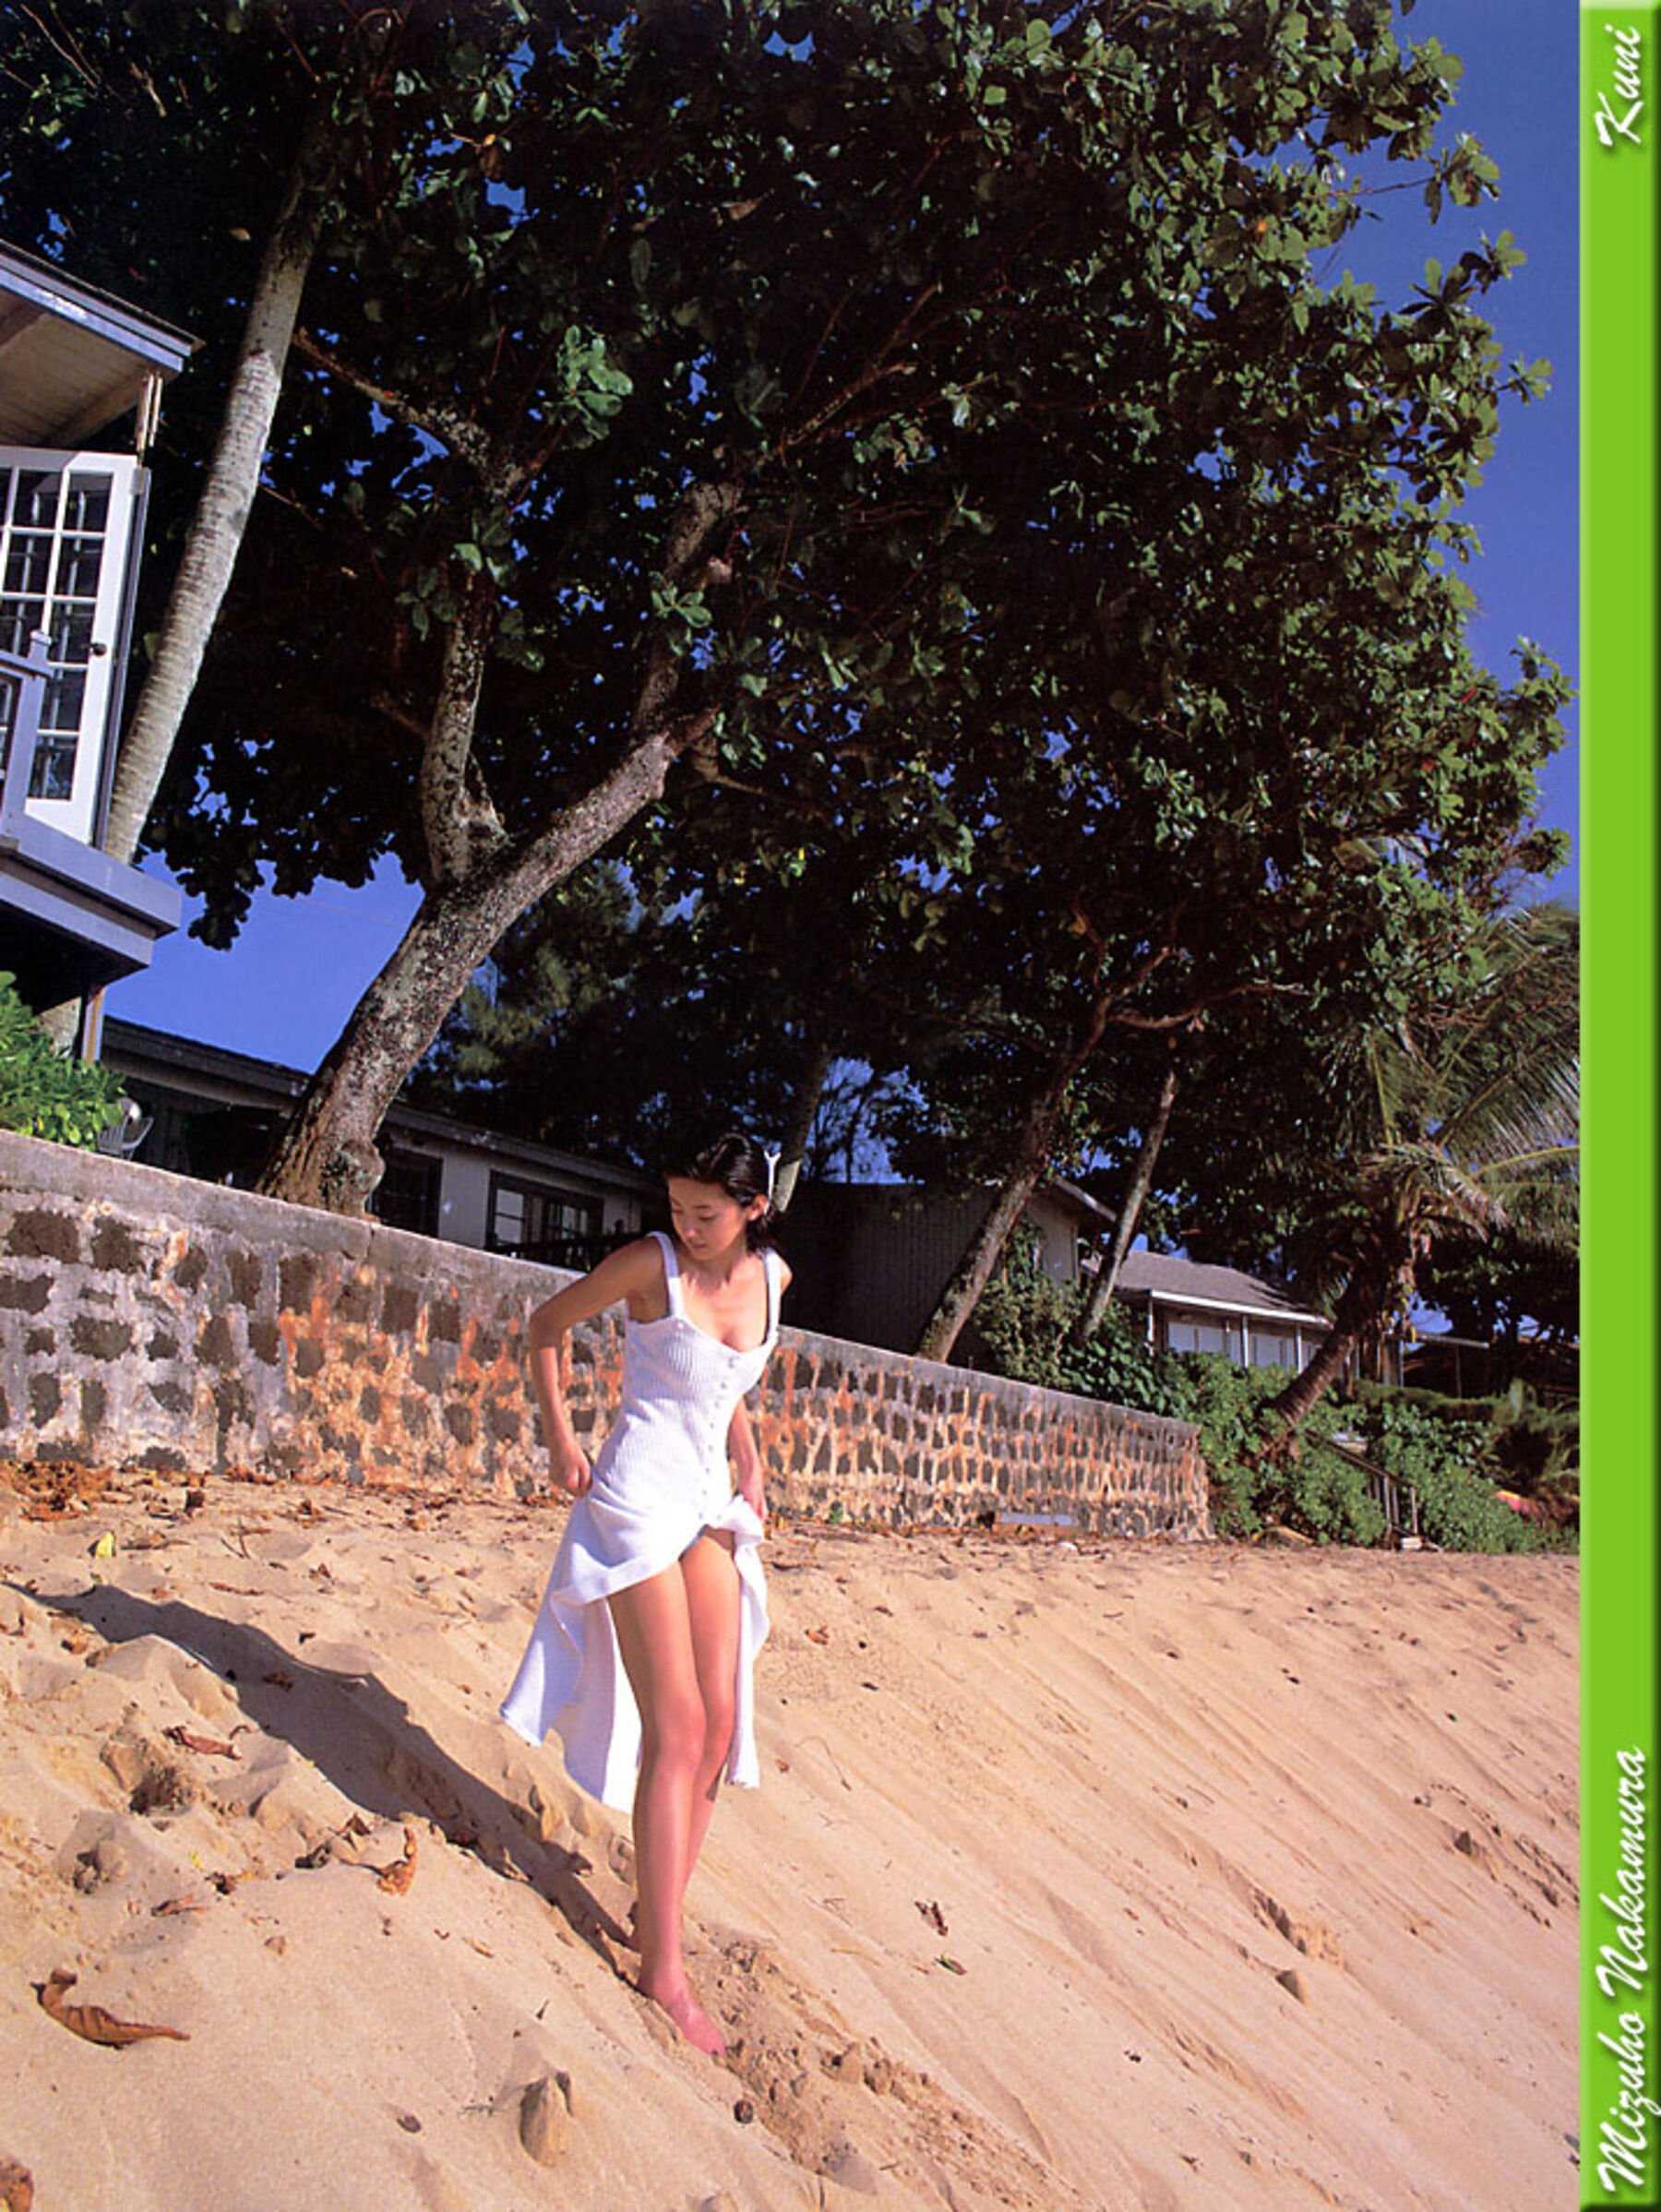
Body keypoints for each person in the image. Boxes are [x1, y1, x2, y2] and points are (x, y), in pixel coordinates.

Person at [498, 1131, 791, 2056]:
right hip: (633, 1498)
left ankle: (654, 1911)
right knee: (678, 1721)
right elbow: (545, 1327)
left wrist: (750, 1457)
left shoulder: (773, 1279)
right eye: (676, 1208)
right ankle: (663, 1969)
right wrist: (561, 1439)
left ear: (753, 1209)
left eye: (706, 1213)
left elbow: (722, 1381)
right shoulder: (649, 1265)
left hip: (708, 1502)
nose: (687, 1227)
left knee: (720, 1725)